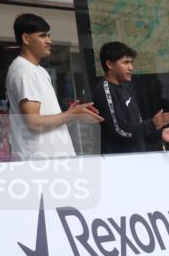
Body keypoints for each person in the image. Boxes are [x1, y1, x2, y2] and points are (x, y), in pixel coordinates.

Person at [6, 14, 103, 160]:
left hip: (53, 160)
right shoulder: (23, 71)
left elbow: (43, 120)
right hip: (39, 161)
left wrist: (74, 116)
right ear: (26, 38)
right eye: (43, 36)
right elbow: (34, 123)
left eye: (49, 36)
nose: (49, 41)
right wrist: (71, 115)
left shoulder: (38, 70)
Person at [91, 42, 169, 154]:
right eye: (126, 62)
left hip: (136, 159)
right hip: (118, 163)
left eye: (131, 63)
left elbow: (135, 127)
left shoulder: (124, 88)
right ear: (109, 64)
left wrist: (159, 133)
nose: (131, 68)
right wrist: (152, 124)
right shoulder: (105, 89)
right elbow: (120, 130)